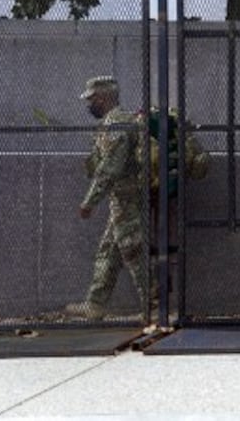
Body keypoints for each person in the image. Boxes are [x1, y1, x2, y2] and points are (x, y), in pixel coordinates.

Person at [64, 76, 152, 320]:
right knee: (109, 252)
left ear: (102, 98)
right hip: (120, 201)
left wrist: (90, 201)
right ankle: (96, 304)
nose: (89, 105)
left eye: (91, 99)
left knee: (133, 252)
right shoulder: (111, 123)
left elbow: (110, 169)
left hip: (127, 199)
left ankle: (155, 308)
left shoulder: (118, 125)